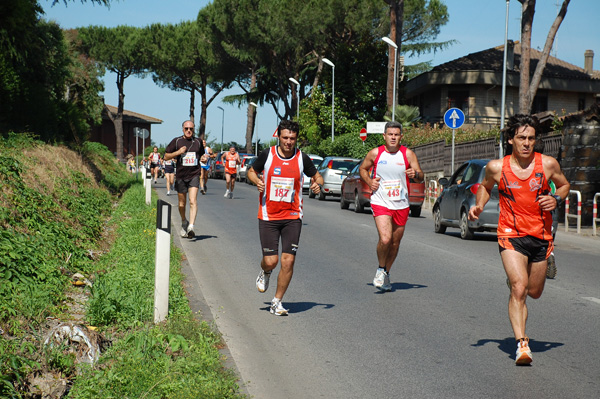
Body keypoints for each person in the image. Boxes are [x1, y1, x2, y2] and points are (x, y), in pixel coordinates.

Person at [468, 114, 570, 365]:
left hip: (541, 235)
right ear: (511, 139)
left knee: (533, 292)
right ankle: (521, 344)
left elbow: (565, 186)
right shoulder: (497, 167)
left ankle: (538, 265)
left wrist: (556, 199)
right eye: (522, 138)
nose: (526, 143)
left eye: (531, 138)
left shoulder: (547, 165)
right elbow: (485, 186)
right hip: (510, 234)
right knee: (519, 288)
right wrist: (479, 206)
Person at [247, 120, 323, 316]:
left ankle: (276, 301)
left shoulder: (301, 158)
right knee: (271, 261)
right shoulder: (268, 154)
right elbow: (251, 171)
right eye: (285, 138)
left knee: (288, 261)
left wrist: (317, 184)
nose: (289, 142)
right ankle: (265, 271)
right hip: (268, 216)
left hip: (293, 217)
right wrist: (257, 181)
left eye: (292, 138)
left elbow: (317, 176)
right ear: (278, 136)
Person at [359, 121, 423, 292]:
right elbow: (362, 169)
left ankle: (386, 272)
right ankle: (380, 269)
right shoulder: (375, 153)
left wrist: (415, 174)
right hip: (380, 201)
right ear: (384, 136)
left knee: (395, 243)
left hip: (401, 203)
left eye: (396, 135)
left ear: (401, 136)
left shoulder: (408, 154)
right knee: (386, 238)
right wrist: (370, 181)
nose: (393, 137)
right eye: (390, 134)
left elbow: (420, 176)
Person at [164, 120, 205, 238]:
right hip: (181, 176)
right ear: (182, 129)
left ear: (194, 129)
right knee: (182, 204)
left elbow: (201, 155)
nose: (189, 131)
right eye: (186, 128)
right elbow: (166, 156)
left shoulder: (198, 142)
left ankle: (191, 226)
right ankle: (184, 222)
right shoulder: (176, 141)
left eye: (191, 129)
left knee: (193, 201)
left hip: (194, 174)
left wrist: (203, 159)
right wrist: (178, 152)